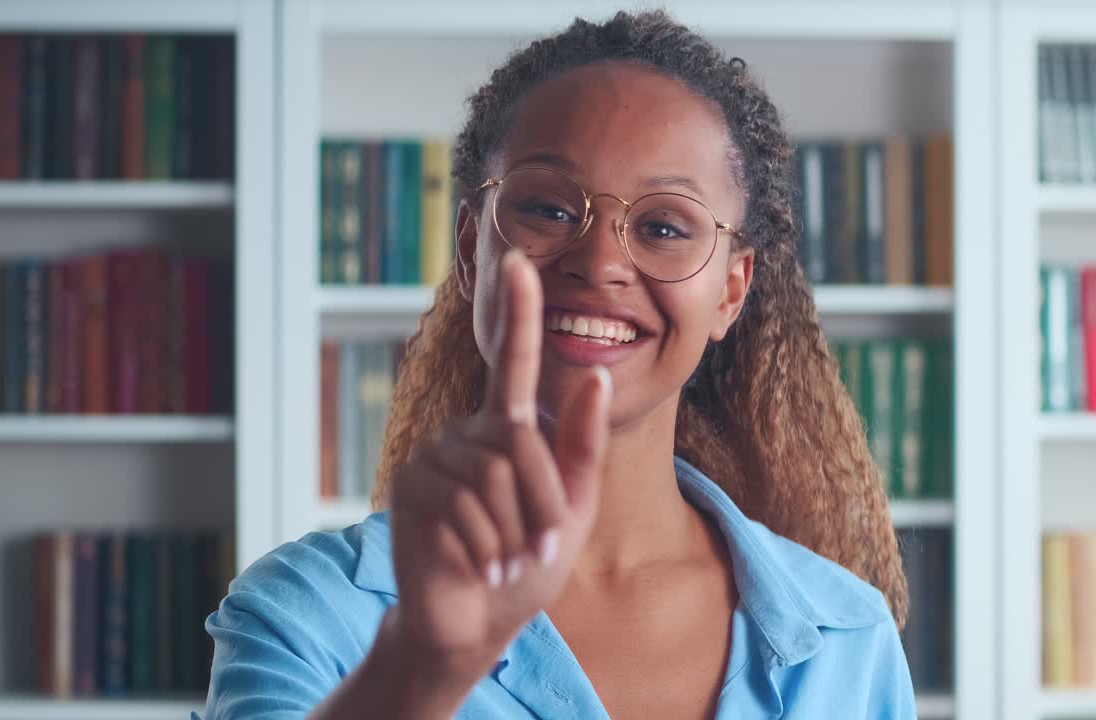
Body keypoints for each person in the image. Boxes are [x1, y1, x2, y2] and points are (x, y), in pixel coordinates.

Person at [201, 10, 913, 719]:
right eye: (547, 208)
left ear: (731, 289)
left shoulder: (850, 639)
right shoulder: (302, 617)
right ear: (473, 248)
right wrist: (419, 668)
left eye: (664, 226)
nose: (599, 263)